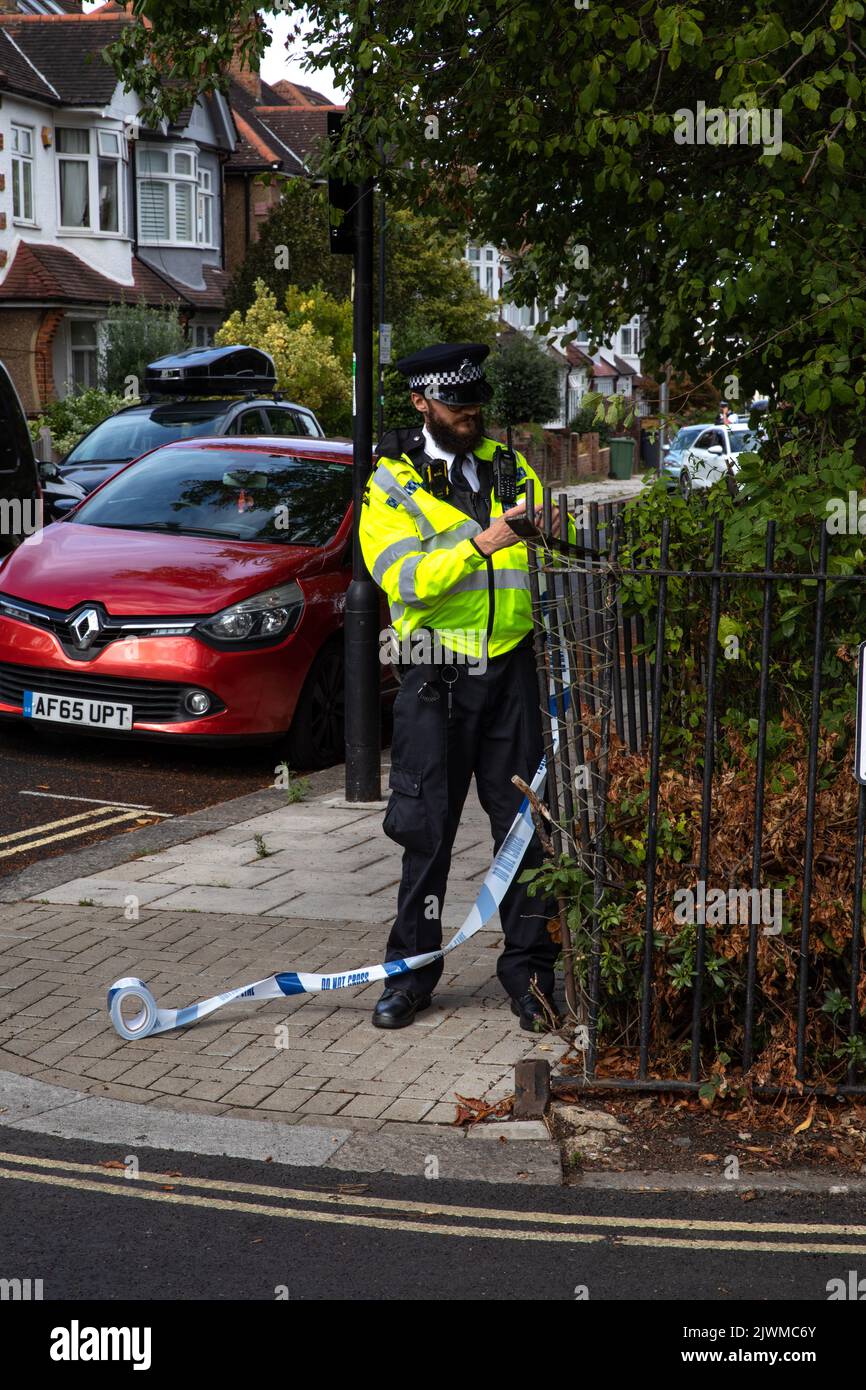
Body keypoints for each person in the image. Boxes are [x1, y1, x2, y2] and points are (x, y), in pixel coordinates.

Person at [359, 340, 569, 1032]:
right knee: (426, 830)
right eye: (456, 404)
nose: (470, 414)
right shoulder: (390, 484)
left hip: (510, 668)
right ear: (421, 402)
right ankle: (409, 977)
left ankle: (532, 978)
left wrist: (553, 525)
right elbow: (405, 579)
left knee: (524, 830)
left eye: (476, 401)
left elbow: (550, 532)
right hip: (436, 675)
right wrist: (481, 544)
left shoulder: (509, 465)